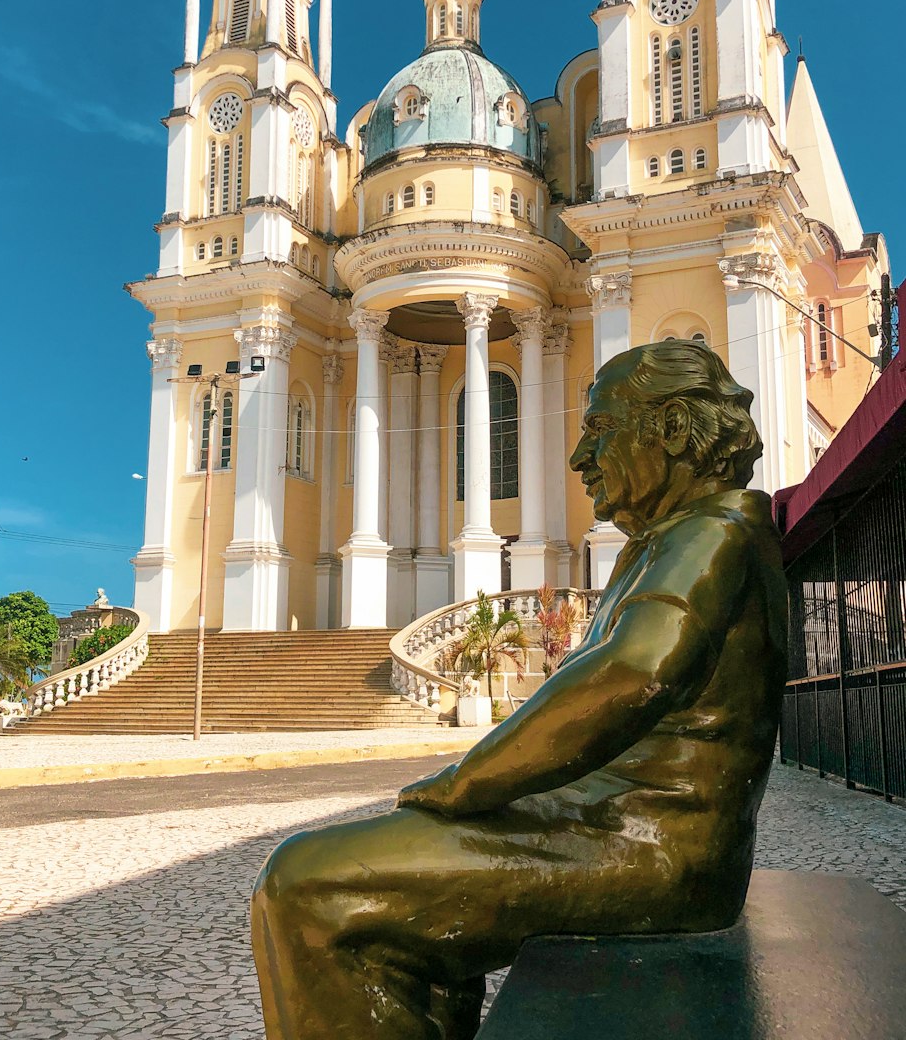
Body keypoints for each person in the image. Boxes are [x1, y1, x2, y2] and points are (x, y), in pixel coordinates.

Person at [251, 340, 788, 1040]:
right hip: (614, 826)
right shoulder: (669, 540)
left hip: (652, 847)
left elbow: (630, 673)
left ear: (675, 431)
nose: (579, 460)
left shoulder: (713, 533)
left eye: (599, 430)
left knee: (305, 885)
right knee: (400, 878)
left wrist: (468, 781)